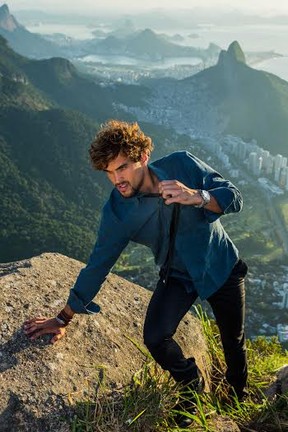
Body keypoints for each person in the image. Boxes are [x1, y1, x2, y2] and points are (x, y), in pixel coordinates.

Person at [24, 120, 248, 426]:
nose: (117, 179)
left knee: (232, 340)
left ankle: (237, 398)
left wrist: (198, 196)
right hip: (178, 276)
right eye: (109, 171)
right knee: (155, 337)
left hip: (219, 264)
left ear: (143, 157)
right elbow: (98, 264)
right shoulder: (118, 212)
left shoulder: (181, 164)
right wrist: (63, 317)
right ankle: (190, 383)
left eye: (123, 167)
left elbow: (234, 196)